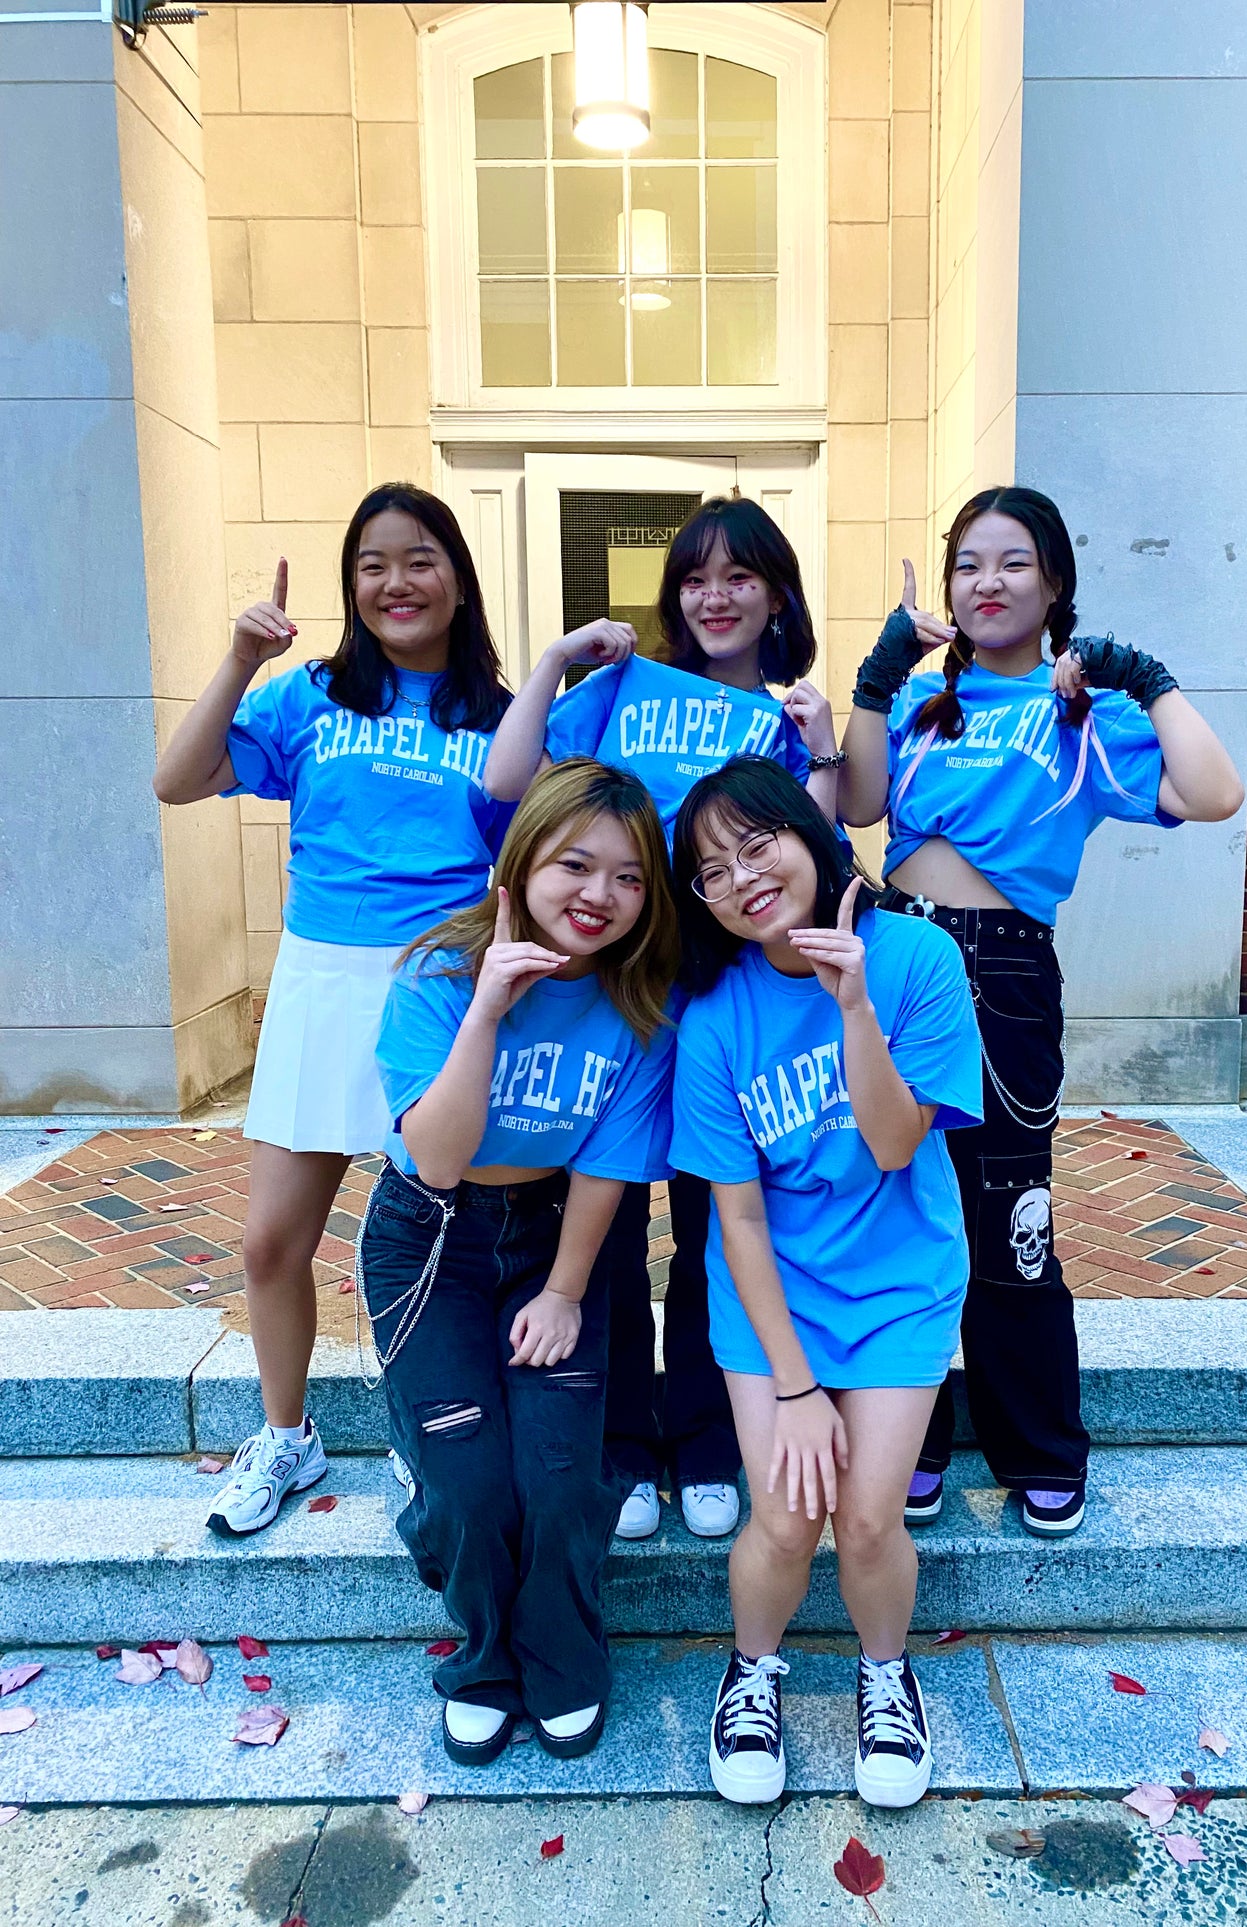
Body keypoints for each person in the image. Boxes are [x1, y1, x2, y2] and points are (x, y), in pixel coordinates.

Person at [838, 484, 1245, 1537]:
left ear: (1053, 581)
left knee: (1008, 1218)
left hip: (1004, 969)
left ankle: (1039, 1447)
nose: (986, 581)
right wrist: (876, 683)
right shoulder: (928, 707)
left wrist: (1140, 676)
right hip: (896, 952)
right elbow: (855, 805)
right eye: (967, 561)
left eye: (1011, 561)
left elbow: (1213, 791)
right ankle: (909, 1437)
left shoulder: (1084, 713)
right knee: (893, 1196)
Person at [153, 483, 513, 1536]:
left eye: (419, 558)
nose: (396, 581)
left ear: (457, 576)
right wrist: (237, 659)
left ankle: (427, 1430)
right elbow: (176, 781)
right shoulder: (307, 695)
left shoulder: (497, 715)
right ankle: (288, 1434)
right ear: (351, 586)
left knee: (433, 1249)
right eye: (372, 564)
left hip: (440, 987)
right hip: (321, 980)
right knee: (272, 1241)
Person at [485, 497, 844, 1547]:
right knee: (594, 1228)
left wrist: (819, 754)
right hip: (615, 992)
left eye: (738, 576)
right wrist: (554, 662)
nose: (714, 596)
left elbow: (813, 864)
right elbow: (508, 782)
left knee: (709, 1226)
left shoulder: (785, 718)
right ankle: (621, 1444)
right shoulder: (619, 694)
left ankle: (700, 1438)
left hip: (726, 1005)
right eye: (694, 577)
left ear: (776, 591)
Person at [668, 758, 982, 1808]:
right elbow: (739, 1216)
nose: (743, 877)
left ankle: (884, 1675)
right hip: (775, 1291)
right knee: (783, 1515)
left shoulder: (917, 959)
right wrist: (795, 1387)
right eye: (712, 870)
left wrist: (851, 1004)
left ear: (808, 834)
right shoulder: (713, 1015)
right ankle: (751, 1670)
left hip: (899, 1280)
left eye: (757, 844)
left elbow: (895, 1145)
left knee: (864, 1515)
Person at [358, 759, 679, 1766]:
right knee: (468, 1487)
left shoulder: (638, 1004)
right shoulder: (437, 976)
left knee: (557, 1476)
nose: (598, 895)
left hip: (551, 1235)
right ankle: (484, 1658)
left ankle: (564, 1660)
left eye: (628, 877)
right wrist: (488, 1013)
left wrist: (564, 1290)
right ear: (522, 862)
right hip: (432, 1239)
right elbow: (441, 1156)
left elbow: (605, 1168)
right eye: (574, 865)